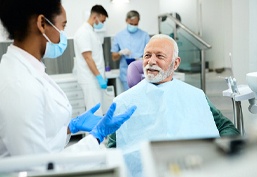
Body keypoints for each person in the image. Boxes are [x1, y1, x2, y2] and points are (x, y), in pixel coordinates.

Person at [0, 0, 136, 158]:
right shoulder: (19, 85)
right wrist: (96, 137)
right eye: (63, 26)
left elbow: (43, 137)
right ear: (42, 24)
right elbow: (37, 167)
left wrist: (70, 127)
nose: (63, 35)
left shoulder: (27, 68)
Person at [107, 34, 240, 177]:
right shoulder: (123, 102)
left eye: (159, 56)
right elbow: (113, 147)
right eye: (147, 55)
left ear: (175, 63)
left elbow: (225, 127)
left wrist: (222, 156)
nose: (151, 61)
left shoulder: (195, 95)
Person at [74, 5, 108, 116]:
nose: (102, 23)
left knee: (98, 111)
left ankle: (98, 133)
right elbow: (88, 58)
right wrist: (99, 77)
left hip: (94, 80)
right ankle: (94, 134)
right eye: (102, 20)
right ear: (96, 17)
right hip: (90, 80)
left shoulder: (91, 32)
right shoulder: (83, 32)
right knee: (95, 113)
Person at [111, 10, 150, 91]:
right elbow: (114, 57)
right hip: (126, 74)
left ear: (139, 21)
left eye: (136, 24)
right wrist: (120, 53)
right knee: (129, 100)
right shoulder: (119, 36)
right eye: (131, 24)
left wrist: (142, 59)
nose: (133, 26)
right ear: (126, 20)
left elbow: (152, 54)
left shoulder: (145, 35)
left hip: (142, 73)